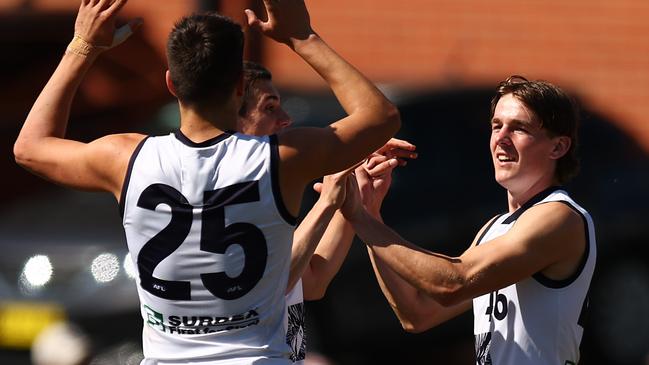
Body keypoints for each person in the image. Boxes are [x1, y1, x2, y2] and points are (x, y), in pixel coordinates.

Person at [14, 0, 400, 363]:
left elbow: (29, 147)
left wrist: (83, 47)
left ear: (171, 84)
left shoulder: (125, 158)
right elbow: (379, 116)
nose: (282, 117)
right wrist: (302, 37)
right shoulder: (281, 158)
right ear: (238, 87)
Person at [343, 75, 596, 365]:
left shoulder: (560, 216)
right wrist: (371, 212)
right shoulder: (495, 227)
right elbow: (417, 313)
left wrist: (362, 220)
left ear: (558, 147)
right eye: (496, 125)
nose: (501, 138)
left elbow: (453, 284)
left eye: (519, 128)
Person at [237, 60, 416, 364]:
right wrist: (327, 201)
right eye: (270, 108)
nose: (285, 118)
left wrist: (352, 198)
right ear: (233, 119)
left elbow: (312, 280)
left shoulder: (264, 191)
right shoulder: (226, 196)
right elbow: (274, 281)